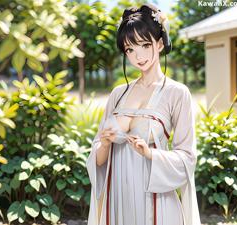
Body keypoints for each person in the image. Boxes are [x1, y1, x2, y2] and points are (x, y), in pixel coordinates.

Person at [86, 3, 201, 225]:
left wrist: (150, 153)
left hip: (156, 202)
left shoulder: (177, 93)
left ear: (159, 44)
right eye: (130, 49)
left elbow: (187, 157)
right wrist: (106, 144)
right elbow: (97, 159)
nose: (137, 55)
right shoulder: (118, 94)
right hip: (118, 201)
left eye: (144, 45)